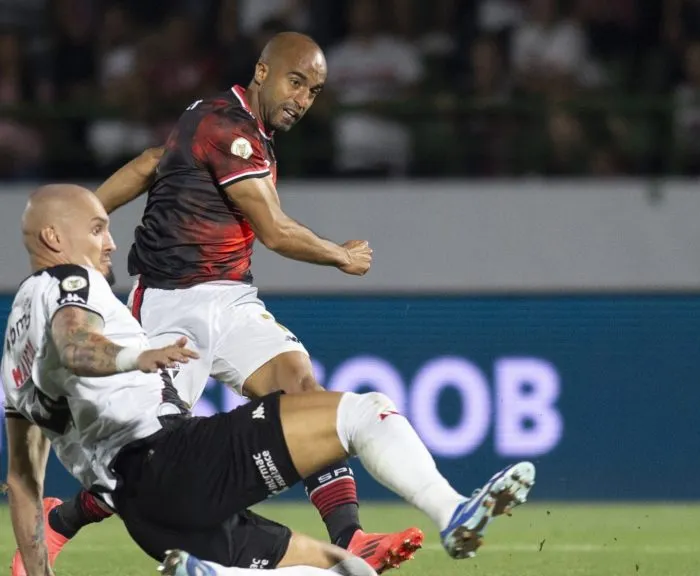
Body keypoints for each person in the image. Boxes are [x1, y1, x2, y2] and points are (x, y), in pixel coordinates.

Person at [14, 31, 420, 576]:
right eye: (295, 82)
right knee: (148, 453)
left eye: (314, 90)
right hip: (164, 302)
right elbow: (272, 230)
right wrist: (339, 256)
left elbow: (149, 161)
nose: (302, 98)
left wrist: (87, 217)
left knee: (300, 385)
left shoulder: (233, 127)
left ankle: (353, 537)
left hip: (225, 299)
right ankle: (61, 521)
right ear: (261, 72)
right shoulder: (219, 122)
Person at [3, 184, 536, 576]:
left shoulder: (13, 355)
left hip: (144, 515)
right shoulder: (68, 280)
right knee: (362, 411)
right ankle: (451, 510)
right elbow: (78, 345)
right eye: (97, 228)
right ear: (54, 237)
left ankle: (222, 574)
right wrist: (131, 359)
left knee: (350, 570)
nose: (110, 245)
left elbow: (24, 486)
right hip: (173, 461)